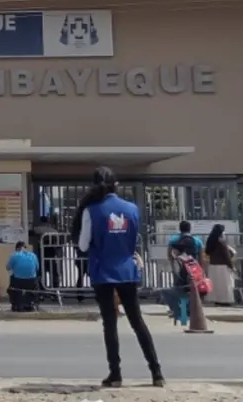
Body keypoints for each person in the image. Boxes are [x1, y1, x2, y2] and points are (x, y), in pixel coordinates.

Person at [77, 166, 164, 388]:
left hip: (103, 271)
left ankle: (115, 374)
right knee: (137, 321)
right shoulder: (132, 209)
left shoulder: (91, 210)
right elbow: (134, 239)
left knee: (110, 324)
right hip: (127, 269)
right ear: (117, 185)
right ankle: (156, 372)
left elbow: (83, 244)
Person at [204, 224, 236, 306]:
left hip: (212, 265)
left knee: (215, 284)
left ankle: (217, 300)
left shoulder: (210, 241)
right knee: (225, 284)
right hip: (222, 266)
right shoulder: (221, 241)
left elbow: (207, 252)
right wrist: (231, 266)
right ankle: (225, 301)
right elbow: (226, 256)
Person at [6, 241, 39, 312]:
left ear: (17, 248)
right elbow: (37, 268)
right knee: (33, 285)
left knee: (12, 283)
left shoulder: (14, 255)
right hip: (31, 280)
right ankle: (30, 304)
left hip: (18, 281)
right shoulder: (33, 255)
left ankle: (16, 304)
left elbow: (8, 268)